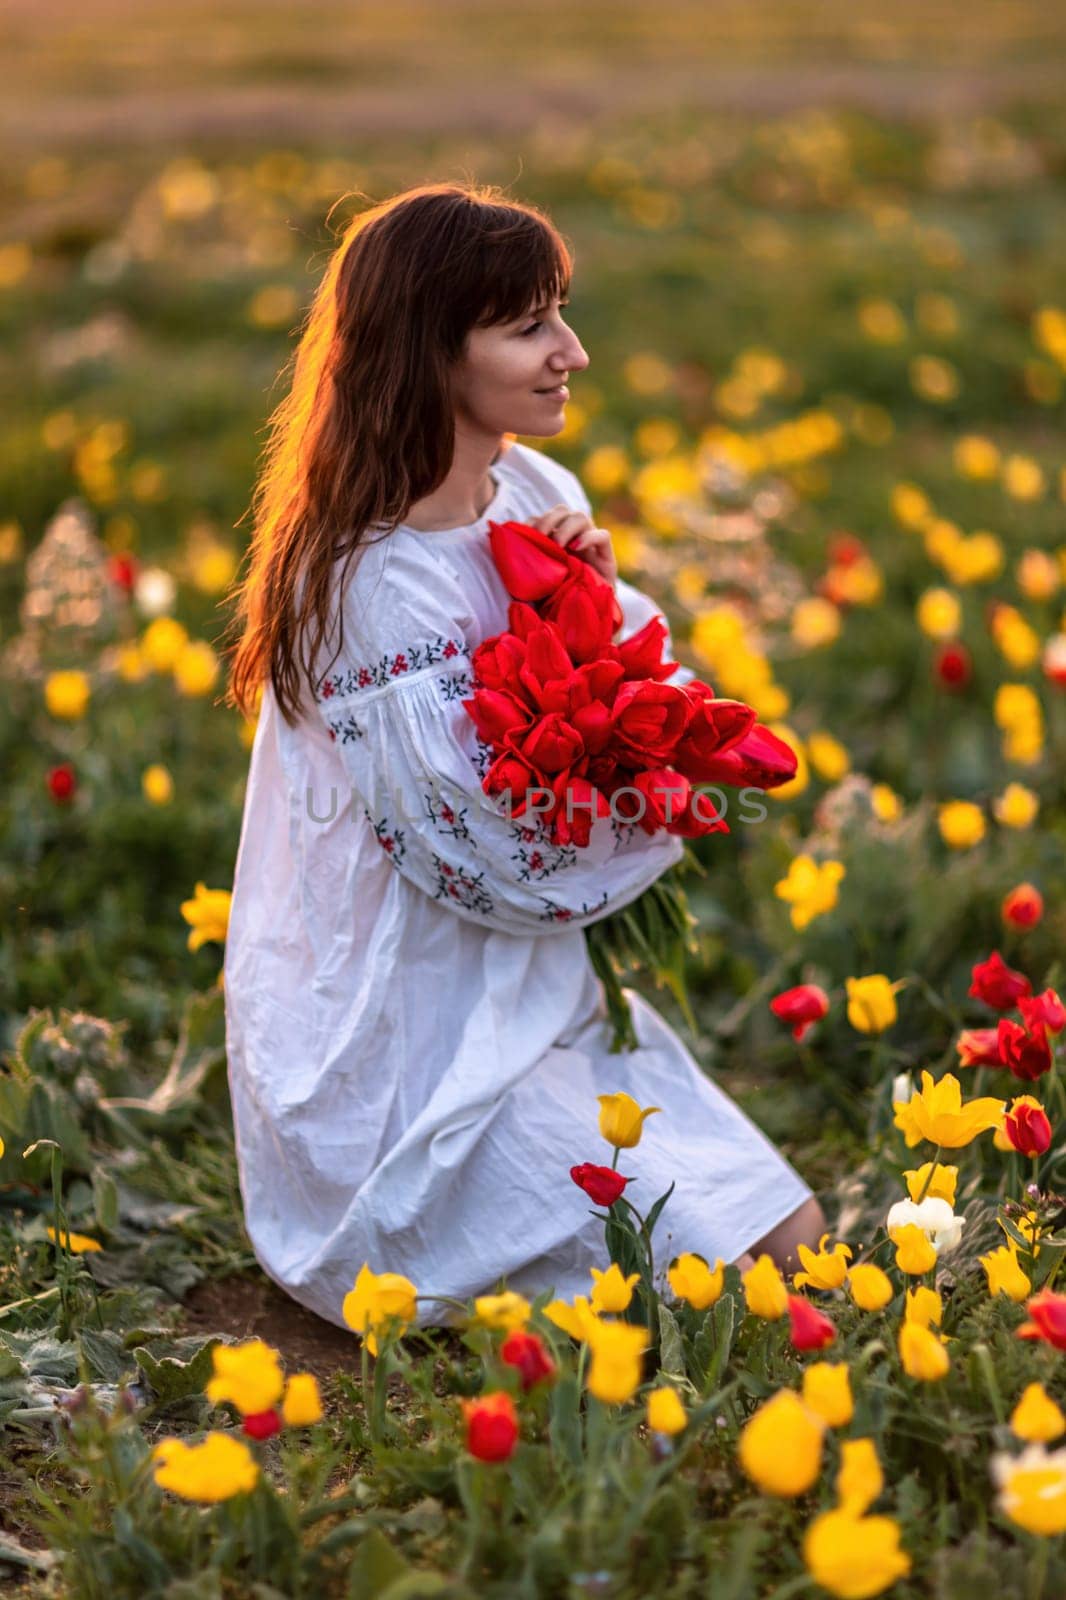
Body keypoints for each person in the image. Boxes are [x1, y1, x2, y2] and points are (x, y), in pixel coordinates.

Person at [221, 181, 823, 1331]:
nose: (572, 353)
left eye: (561, 312)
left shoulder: (535, 491)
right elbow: (479, 859)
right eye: (528, 324)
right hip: (406, 1042)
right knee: (739, 1289)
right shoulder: (365, 584)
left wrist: (584, 604)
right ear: (427, 352)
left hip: (534, 997)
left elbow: (623, 655)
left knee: (794, 1242)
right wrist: (664, 799)